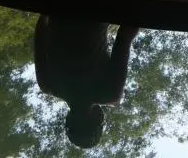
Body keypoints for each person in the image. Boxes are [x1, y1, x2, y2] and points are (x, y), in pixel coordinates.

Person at [34, 16, 138, 149]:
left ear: (96, 120)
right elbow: (40, 31)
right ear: (68, 119)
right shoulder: (46, 84)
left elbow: (125, 35)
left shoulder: (111, 93)